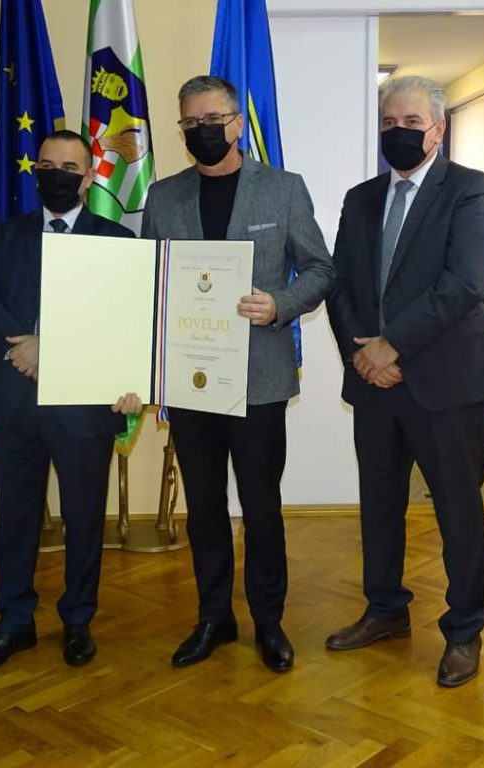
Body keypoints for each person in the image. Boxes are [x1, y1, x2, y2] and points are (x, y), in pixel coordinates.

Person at [142, 75, 334, 673]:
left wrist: (280, 304)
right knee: (203, 508)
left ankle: (269, 622)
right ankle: (214, 617)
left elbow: (321, 269)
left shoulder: (282, 189)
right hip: (190, 380)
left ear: (236, 123)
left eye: (212, 120)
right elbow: (150, 284)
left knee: (260, 506)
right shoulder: (163, 196)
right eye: (190, 123)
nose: (202, 131)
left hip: (259, 380)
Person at [325, 75, 484, 688]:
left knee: (458, 511)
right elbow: (340, 283)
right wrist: (364, 356)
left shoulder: (472, 189)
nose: (398, 132)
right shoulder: (360, 198)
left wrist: (393, 344)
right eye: (389, 123)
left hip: (449, 383)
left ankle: (464, 631)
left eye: (411, 122)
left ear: (438, 129)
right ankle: (385, 610)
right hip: (374, 382)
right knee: (380, 505)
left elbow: (465, 282)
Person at [0, 130, 141, 674]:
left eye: (69, 168)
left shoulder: (116, 240)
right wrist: (23, 344)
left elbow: (124, 319)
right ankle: (13, 622)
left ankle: (78, 620)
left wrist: (51, 348)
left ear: (88, 179)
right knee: (16, 519)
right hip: (16, 401)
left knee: (84, 519)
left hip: (84, 409)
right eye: (46, 165)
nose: (56, 175)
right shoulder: (11, 232)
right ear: (34, 171)